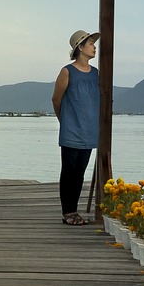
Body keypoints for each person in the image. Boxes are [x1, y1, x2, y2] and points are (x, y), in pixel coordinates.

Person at [52, 29, 101, 225]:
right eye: (90, 44)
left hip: (89, 131)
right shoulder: (67, 71)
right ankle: (68, 213)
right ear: (80, 48)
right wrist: (65, 122)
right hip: (71, 130)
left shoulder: (96, 73)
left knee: (80, 172)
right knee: (69, 171)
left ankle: (74, 211)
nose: (94, 47)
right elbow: (56, 99)